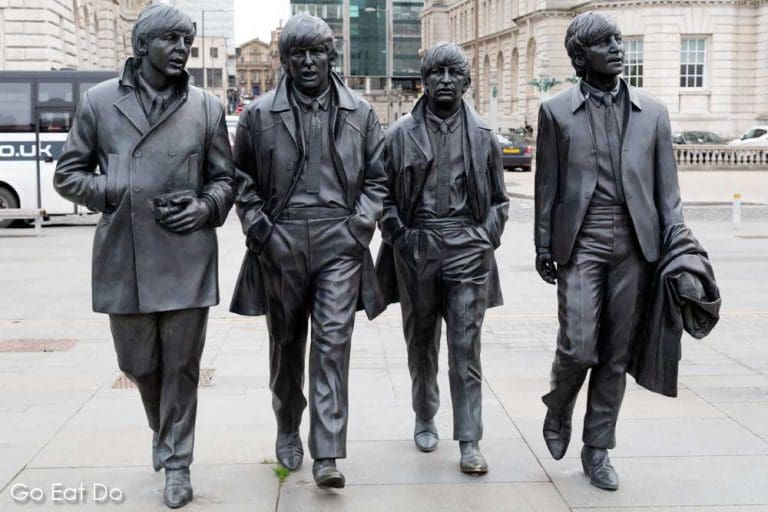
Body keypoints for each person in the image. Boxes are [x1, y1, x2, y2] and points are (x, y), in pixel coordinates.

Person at [54, 4, 235, 508]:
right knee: (138, 362)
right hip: (124, 255)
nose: (182, 50)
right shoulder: (99, 101)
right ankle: (164, 432)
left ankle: (178, 463)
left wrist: (204, 206)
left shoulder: (205, 107)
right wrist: (115, 189)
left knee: (182, 365)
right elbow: (67, 174)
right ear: (141, 46)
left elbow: (226, 179)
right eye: (172, 40)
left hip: (187, 254)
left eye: (188, 42)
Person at [229, 13, 387, 489]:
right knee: (286, 344)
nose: (308, 62)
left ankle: (328, 453)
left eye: (316, 52)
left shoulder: (361, 112)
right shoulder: (258, 116)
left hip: (340, 241)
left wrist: (358, 227)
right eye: (297, 54)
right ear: (285, 60)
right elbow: (241, 180)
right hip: (282, 240)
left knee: (333, 345)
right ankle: (286, 426)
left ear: (331, 55)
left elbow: (379, 179)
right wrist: (262, 231)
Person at [534, 11, 684, 491]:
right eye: (604, 42)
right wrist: (542, 243)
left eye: (619, 40)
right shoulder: (555, 111)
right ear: (581, 56)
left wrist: (676, 249)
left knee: (615, 354)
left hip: (637, 246)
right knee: (578, 346)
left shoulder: (654, 113)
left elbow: (668, 193)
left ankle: (598, 449)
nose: (618, 47)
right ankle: (559, 403)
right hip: (581, 241)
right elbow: (547, 186)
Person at [376, 42, 509, 474]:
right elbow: (382, 196)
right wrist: (402, 237)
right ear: (424, 81)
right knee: (421, 343)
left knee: (465, 348)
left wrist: (482, 238)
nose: (446, 80)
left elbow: (499, 203)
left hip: (467, 249)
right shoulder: (398, 135)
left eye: (454, 73)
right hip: (418, 248)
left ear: (467, 82)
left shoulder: (485, 137)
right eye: (437, 73)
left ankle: (470, 438)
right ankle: (425, 414)